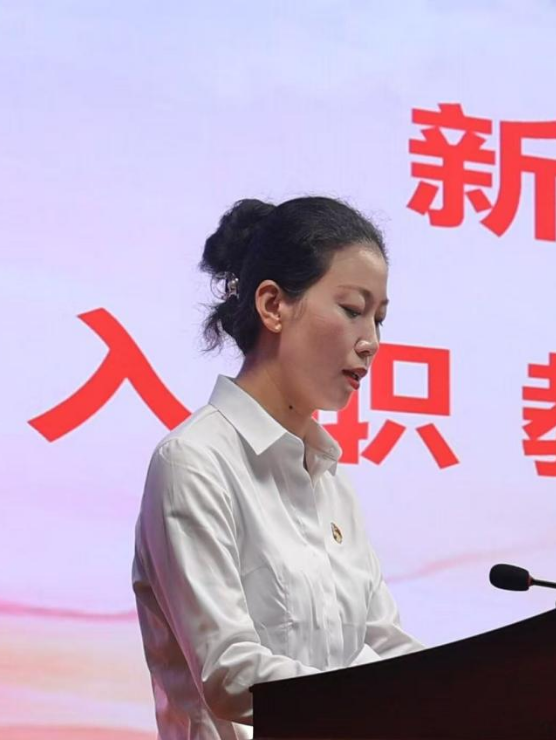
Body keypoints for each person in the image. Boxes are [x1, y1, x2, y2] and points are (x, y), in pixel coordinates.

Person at [132, 196, 424, 739]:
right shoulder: (194, 462)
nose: (371, 343)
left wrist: (470, 692)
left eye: (380, 319)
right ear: (273, 305)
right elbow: (231, 672)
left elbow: (385, 644)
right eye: (352, 309)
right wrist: (380, 701)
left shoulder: (329, 479)